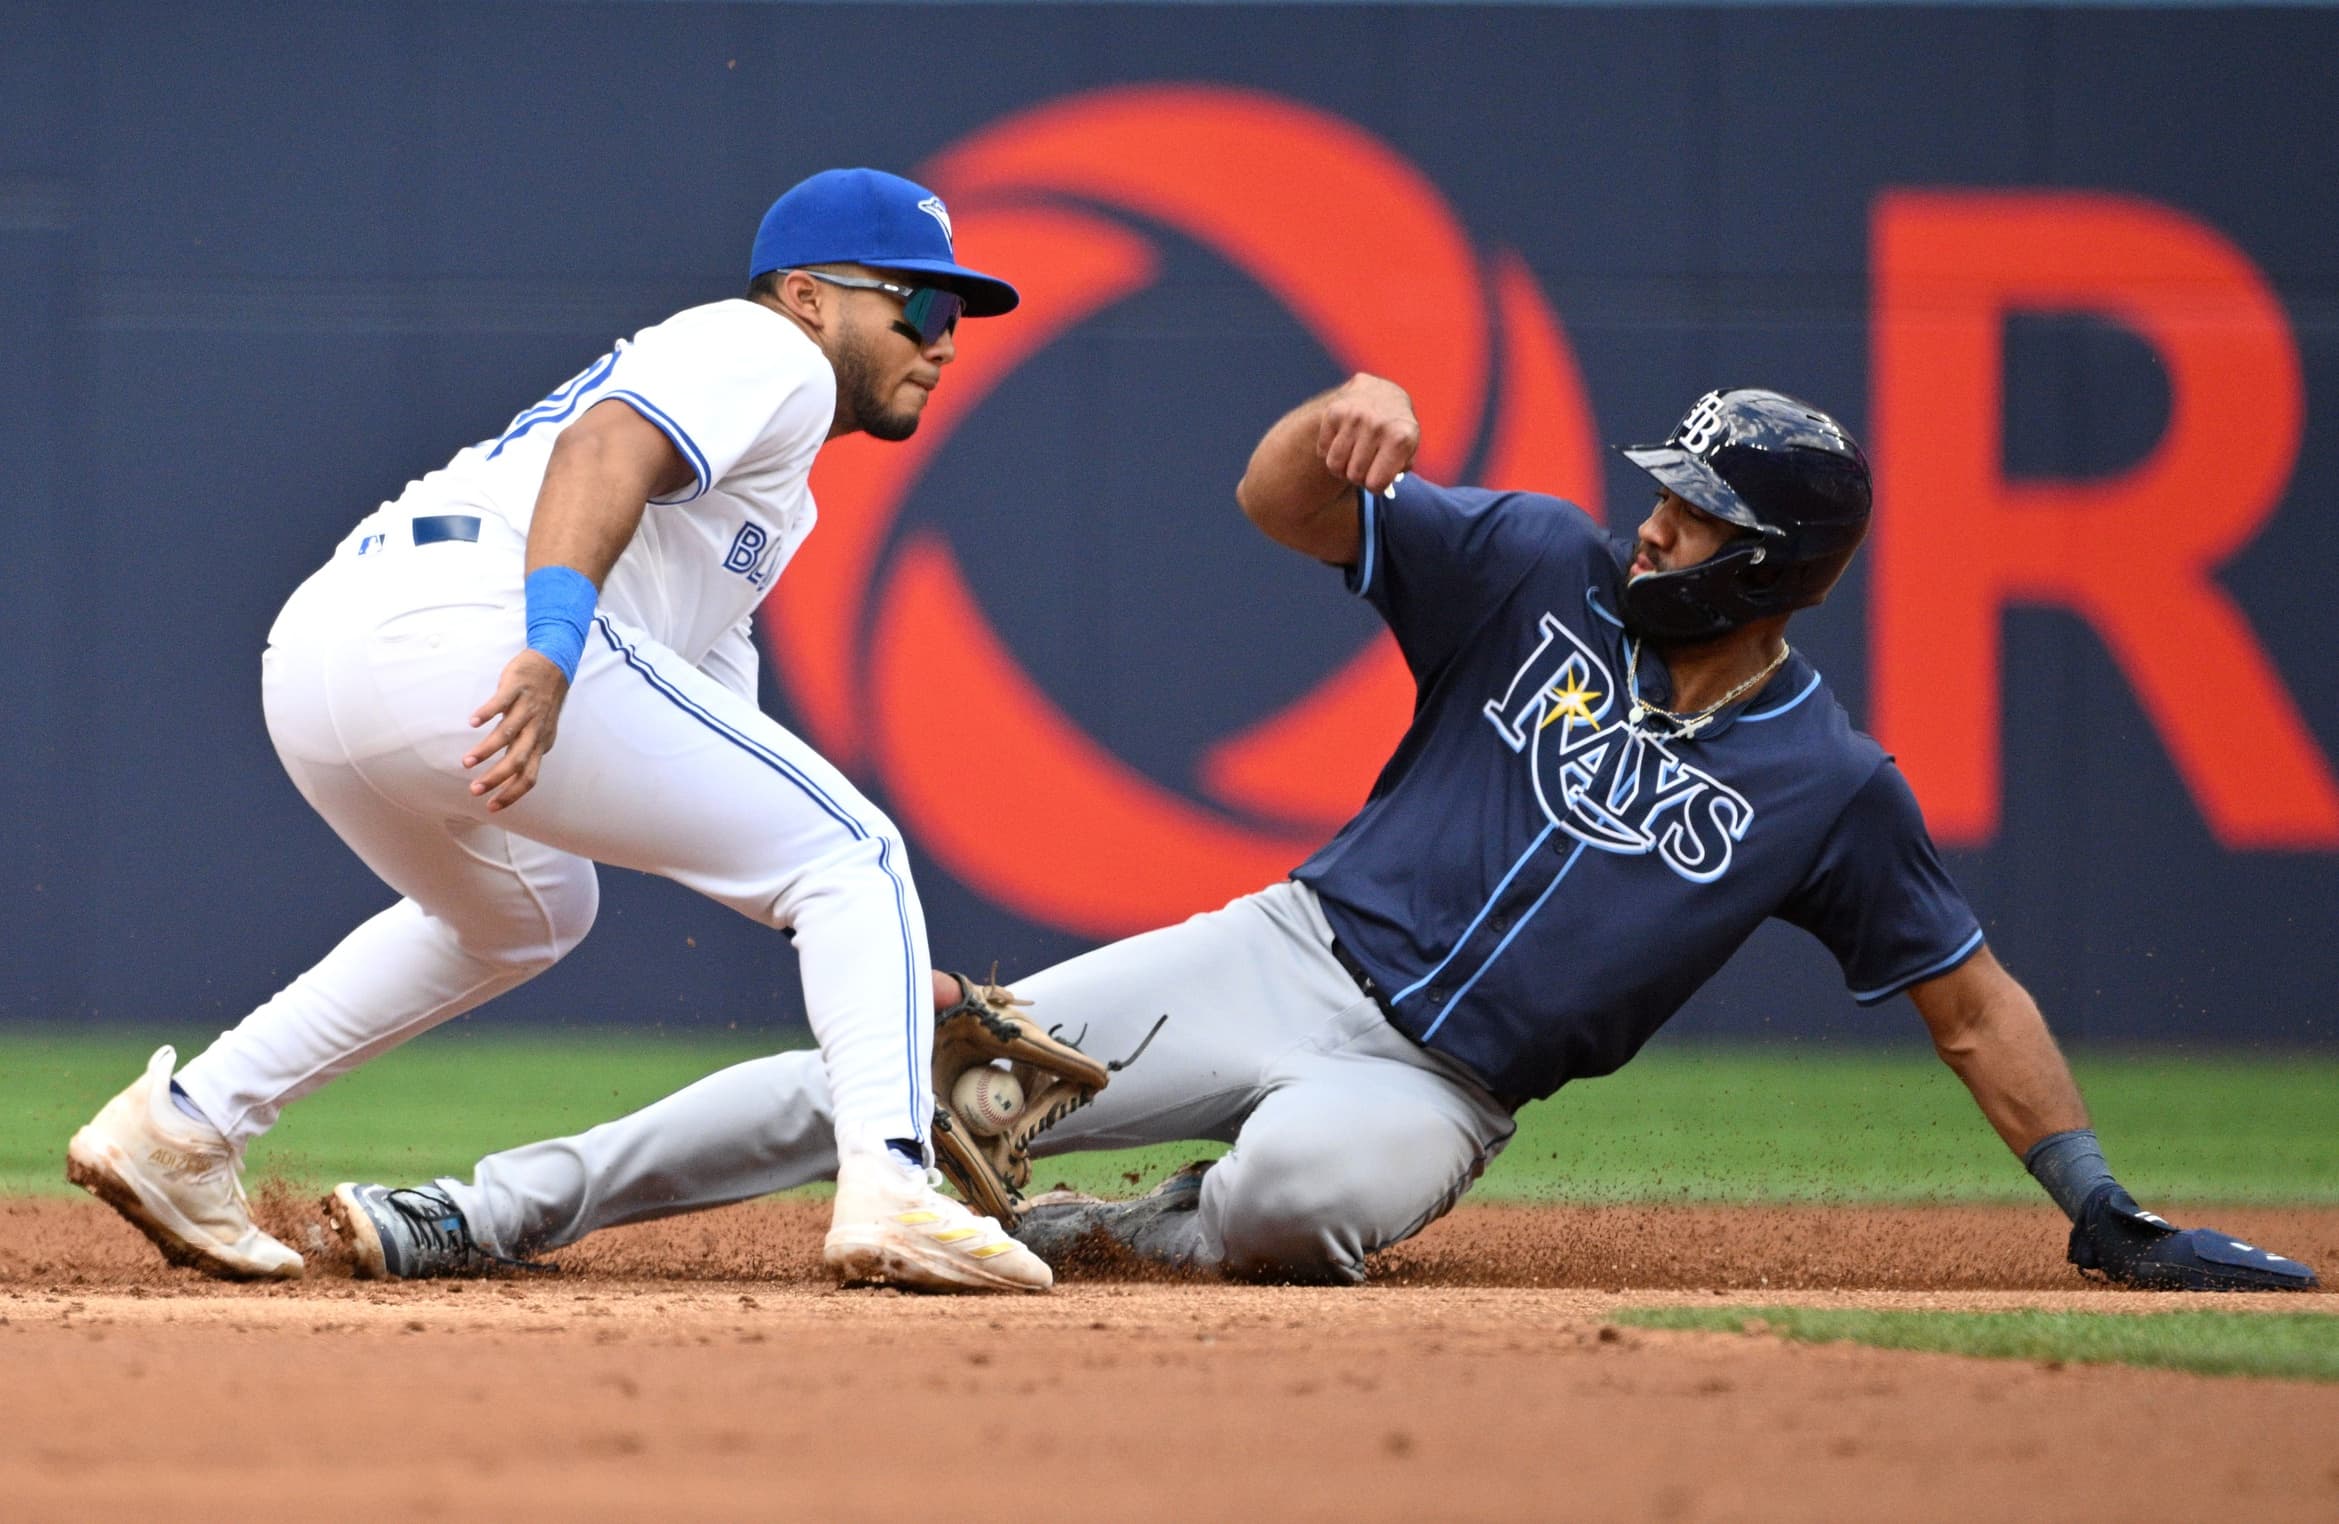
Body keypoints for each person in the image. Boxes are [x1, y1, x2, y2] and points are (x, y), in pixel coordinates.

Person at [321, 374, 2316, 1293]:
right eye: (1659, 497)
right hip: (1276, 953)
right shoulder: (1530, 566)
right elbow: (1284, 503)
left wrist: (2091, 1197)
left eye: (1694, 517)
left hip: (1443, 1085)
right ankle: (485, 1211)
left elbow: (1965, 1002)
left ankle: (1105, 1235)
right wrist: (1326, 421)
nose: (1648, 525)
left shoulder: (1826, 788)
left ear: (1775, 560)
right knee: (892, 1072)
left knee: (1288, 1210)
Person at [65, 168, 1052, 1294]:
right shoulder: (764, 348)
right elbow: (603, 449)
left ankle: (185, 1125)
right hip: (478, 630)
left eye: (957, 315)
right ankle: (891, 1184)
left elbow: (730, 754)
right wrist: (547, 643)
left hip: (328, 655)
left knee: (529, 910)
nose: (946, 339)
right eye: (917, 305)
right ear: (808, 297)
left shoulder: (775, 495)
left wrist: (876, 954)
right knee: (856, 851)